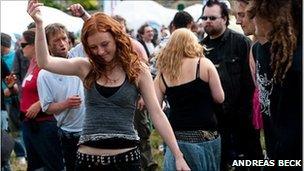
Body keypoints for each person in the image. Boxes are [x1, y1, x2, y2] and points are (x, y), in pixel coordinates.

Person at [27, 1, 190, 171]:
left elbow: (156, 113)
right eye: (93, 47)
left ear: (117, 39)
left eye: (105, 44)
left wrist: (178, 155)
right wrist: (39, 24)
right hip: (87, 161)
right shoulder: (85, 67)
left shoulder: (137, 70)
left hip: (126, 161)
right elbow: (45, 62)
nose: (100, 51)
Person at [200, 0, 262, 170]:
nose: (207, 21)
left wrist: (249, 116)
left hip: (243, 121)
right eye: (204, 17)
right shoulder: (199, 49)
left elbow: (252, 83)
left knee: (251, 162)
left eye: (212, 17)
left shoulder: (242, 43)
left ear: (225, 19)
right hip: (215, 123)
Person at [154, 28, 224, 170]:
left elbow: (156, 107)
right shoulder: (204, 64)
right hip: (205, 135)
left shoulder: (163, 74)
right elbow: (220, 98)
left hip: (176, 138)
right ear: (193, 43)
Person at [248, 0, 302, 167]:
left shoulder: (295, 63)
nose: (252, 19)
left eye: (255, 13)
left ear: (272, 16)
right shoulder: (263, 51)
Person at [37, 23, 85, 171]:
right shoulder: (45, 74)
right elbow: (47, 108)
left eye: (64, 38)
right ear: (48, 47)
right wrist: (66, 104)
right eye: (56, 41)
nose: (62, 43)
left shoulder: (78, 55)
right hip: (69, 134)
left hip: (92, 129)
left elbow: (95, 32)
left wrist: (83, 15)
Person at [19, 28, 64, 171]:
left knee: (52, 165)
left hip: (45, 124)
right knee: (34, 166)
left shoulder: (48, 63)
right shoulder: (32, 63)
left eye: (23, 45)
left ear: (34, 45)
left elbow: (59, 90)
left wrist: (39, 104)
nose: (21, 48)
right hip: (29, 124)